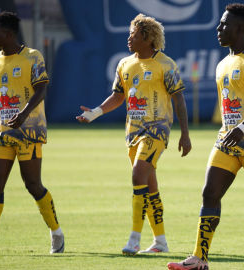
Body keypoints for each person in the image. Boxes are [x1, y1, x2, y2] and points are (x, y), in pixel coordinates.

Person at [168, 3, 244, 270]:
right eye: (220, 24)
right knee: (209, 193)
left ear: (239, 28)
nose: (218, 29)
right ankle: (199, 258)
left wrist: (242, 128)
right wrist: (232, 130)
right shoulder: (223, 63)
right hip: (227, 140)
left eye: (224, 25)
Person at [76, 13, 191, 255]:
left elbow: (178, 100)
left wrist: (185, 134)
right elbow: (119, 96)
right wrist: (94, 113)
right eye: (130, 33)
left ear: (148, 39)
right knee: (149, 186)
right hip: (133, 133)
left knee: (138, 175)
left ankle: (134, 239)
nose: (129, 38)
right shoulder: (124, 64)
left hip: (157, 129)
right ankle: (160, 242)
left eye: (134, 35)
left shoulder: (166, 64)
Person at [0, 11, 64, 257]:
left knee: (32, 185)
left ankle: (56, 232)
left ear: (8, 34)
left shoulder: (33, 56)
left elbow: (41, 90)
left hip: (28, 132)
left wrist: (23, 114)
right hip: (0, 131)